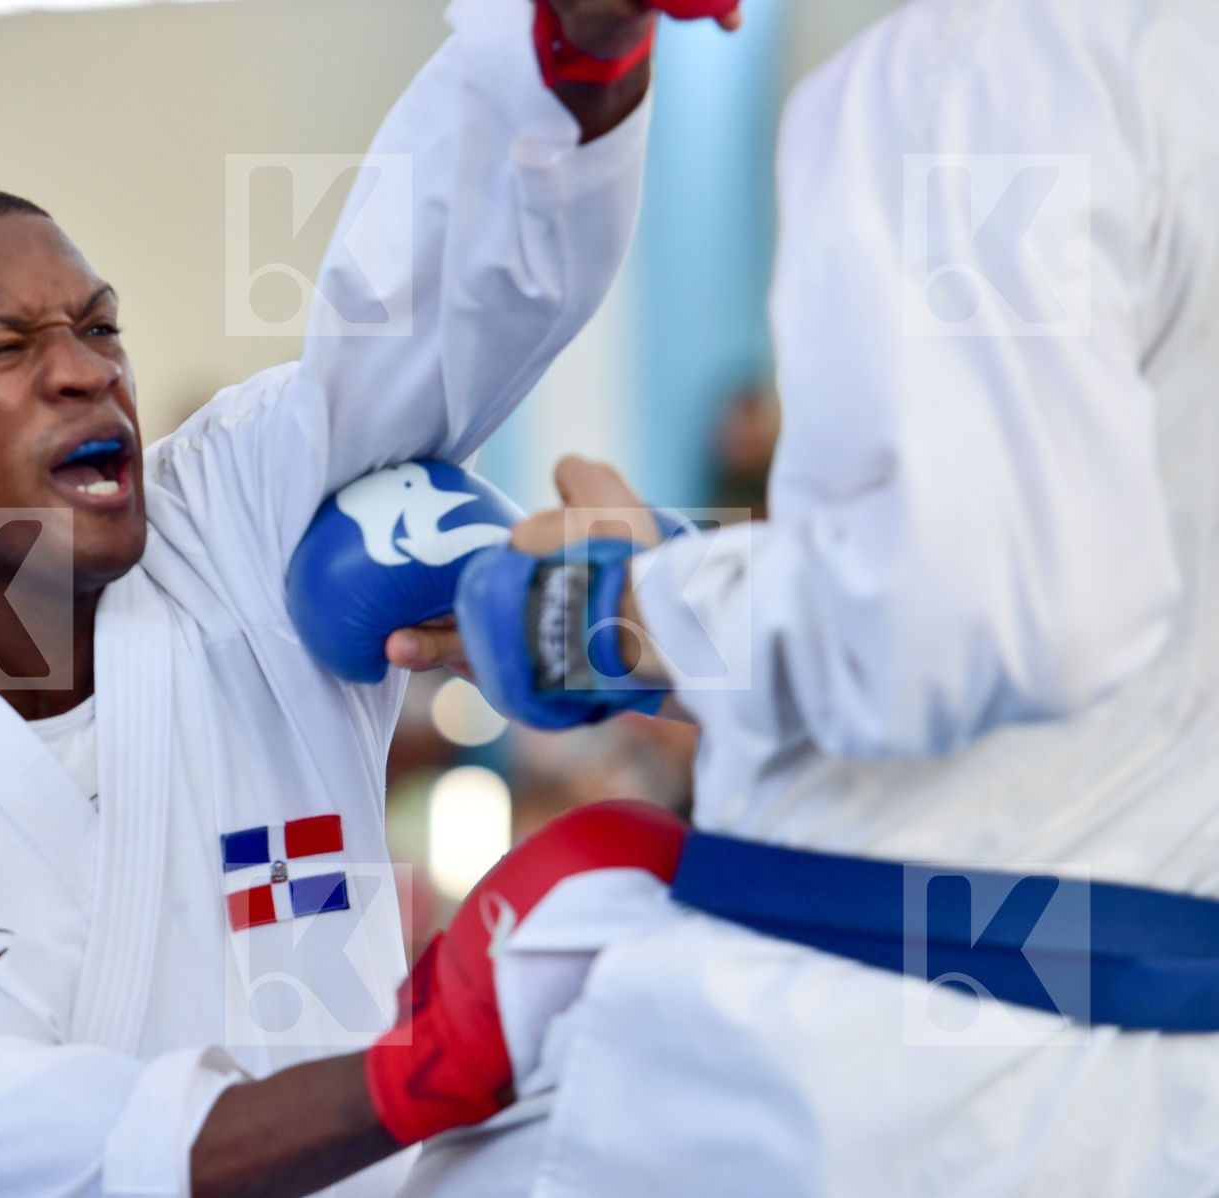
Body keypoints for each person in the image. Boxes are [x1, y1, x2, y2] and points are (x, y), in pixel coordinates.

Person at [0, 1, 743, 1195]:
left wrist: (577, 52)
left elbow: (431, 315)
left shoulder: (234, 518)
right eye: (3, 349)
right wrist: (422, 1067)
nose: (86, 371)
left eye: (100, 326)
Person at [393, 0, 1219, 1193]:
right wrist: (686, 577)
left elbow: (976, 611)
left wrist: (607, 612)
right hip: (1133, 1059)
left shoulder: (981, 61)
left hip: (896, 1069)